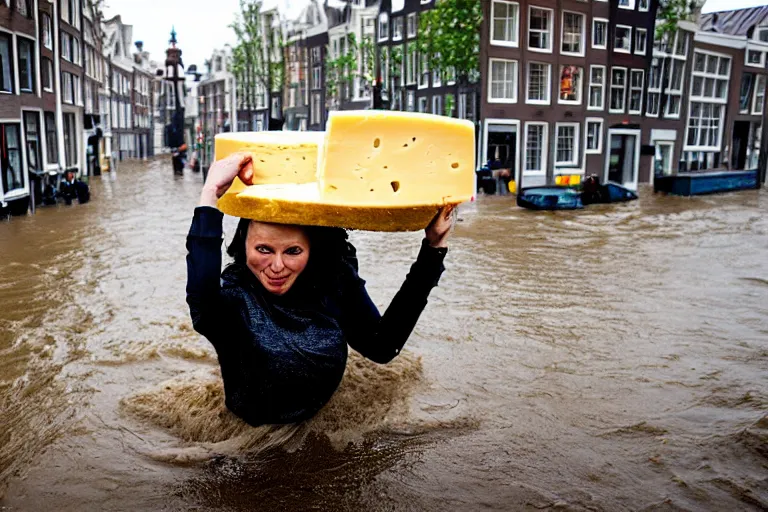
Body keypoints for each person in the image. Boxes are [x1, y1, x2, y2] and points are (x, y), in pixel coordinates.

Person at [186, 153, 455, 427]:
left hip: (317, 425)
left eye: (293, 251)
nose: (277, 266)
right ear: (245, 248)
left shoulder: (332, 283)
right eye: (264, 249)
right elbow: (202, 295)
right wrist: (211, 193)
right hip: (247, 437)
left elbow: (383, 346)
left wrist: (433, 250)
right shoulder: (233, 299)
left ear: (312, 251)